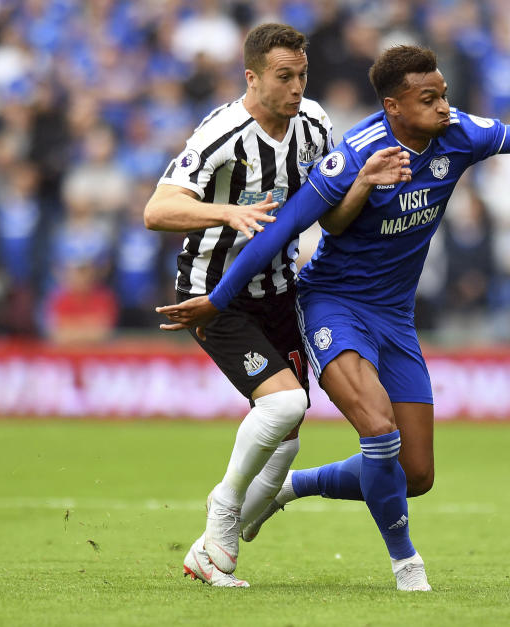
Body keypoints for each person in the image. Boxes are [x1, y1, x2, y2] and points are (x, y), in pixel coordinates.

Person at [156, 45, 510, 591]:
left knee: (415, 474)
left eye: (444, 94)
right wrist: (220, 295)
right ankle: (406, 564)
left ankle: (289, 488)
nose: (445, 107)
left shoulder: (460, 136)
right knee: (376, 427)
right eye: (430, 98)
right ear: (394, 106)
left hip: (395, 317)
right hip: (332, 303)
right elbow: (281, 229)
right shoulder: (356, 152)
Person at [144, 23, 410, 588]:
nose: (296, 88)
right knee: (286, 407)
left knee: (285, 443)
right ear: (253, 77)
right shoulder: (222, 134)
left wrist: (361, 182)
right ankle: (220, 512)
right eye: (284, 77)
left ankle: (210, 551)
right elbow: (157, 209)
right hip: (213, 296)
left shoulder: (313, 125)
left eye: (302, 75)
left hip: (279, 292)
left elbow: (332, 215)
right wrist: (227, 214)